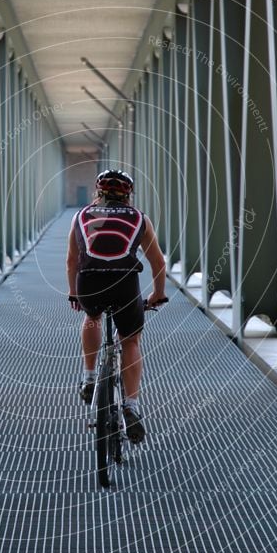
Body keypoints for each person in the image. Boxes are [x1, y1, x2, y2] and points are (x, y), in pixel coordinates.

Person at [66, 169, 167, 443]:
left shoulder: (81, 216)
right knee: (131, 340)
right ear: (128, 195)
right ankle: (131, 407)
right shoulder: (140, 219)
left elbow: (72, 261)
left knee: (91, 316)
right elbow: (158, 263)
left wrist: (74, 293)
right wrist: (158, 294)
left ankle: (88, 377)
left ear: (98, 192)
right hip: (125, 284)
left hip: (89, 282)